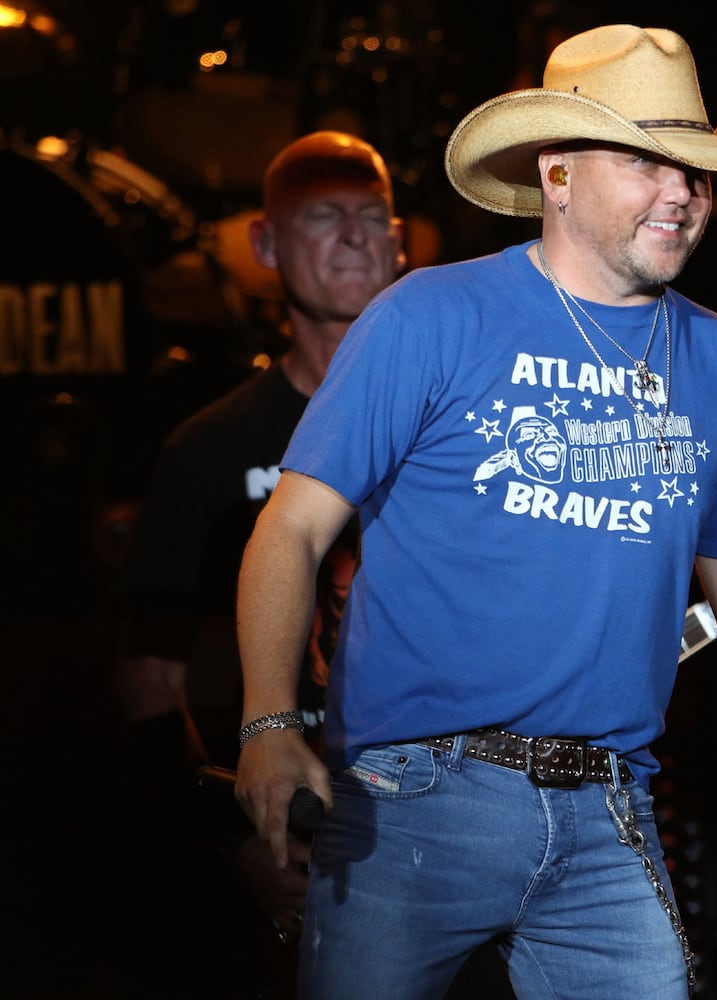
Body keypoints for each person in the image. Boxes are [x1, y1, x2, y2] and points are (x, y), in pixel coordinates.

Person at [234, 24, 717, 1000]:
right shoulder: (431, 315)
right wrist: (268, 721)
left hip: (607, 811)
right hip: (413, 803)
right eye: (645, 161)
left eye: (695, 168)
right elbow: (291, 528)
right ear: (556, 171)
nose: (680, 192)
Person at [112, 130, 406, 996]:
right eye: (324, 216)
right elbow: (145, 678)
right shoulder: (211, 448)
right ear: (265, 246)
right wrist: (234, 840)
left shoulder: (467, 426)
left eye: (370, 215)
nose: (354, 236)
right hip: (306, 840)